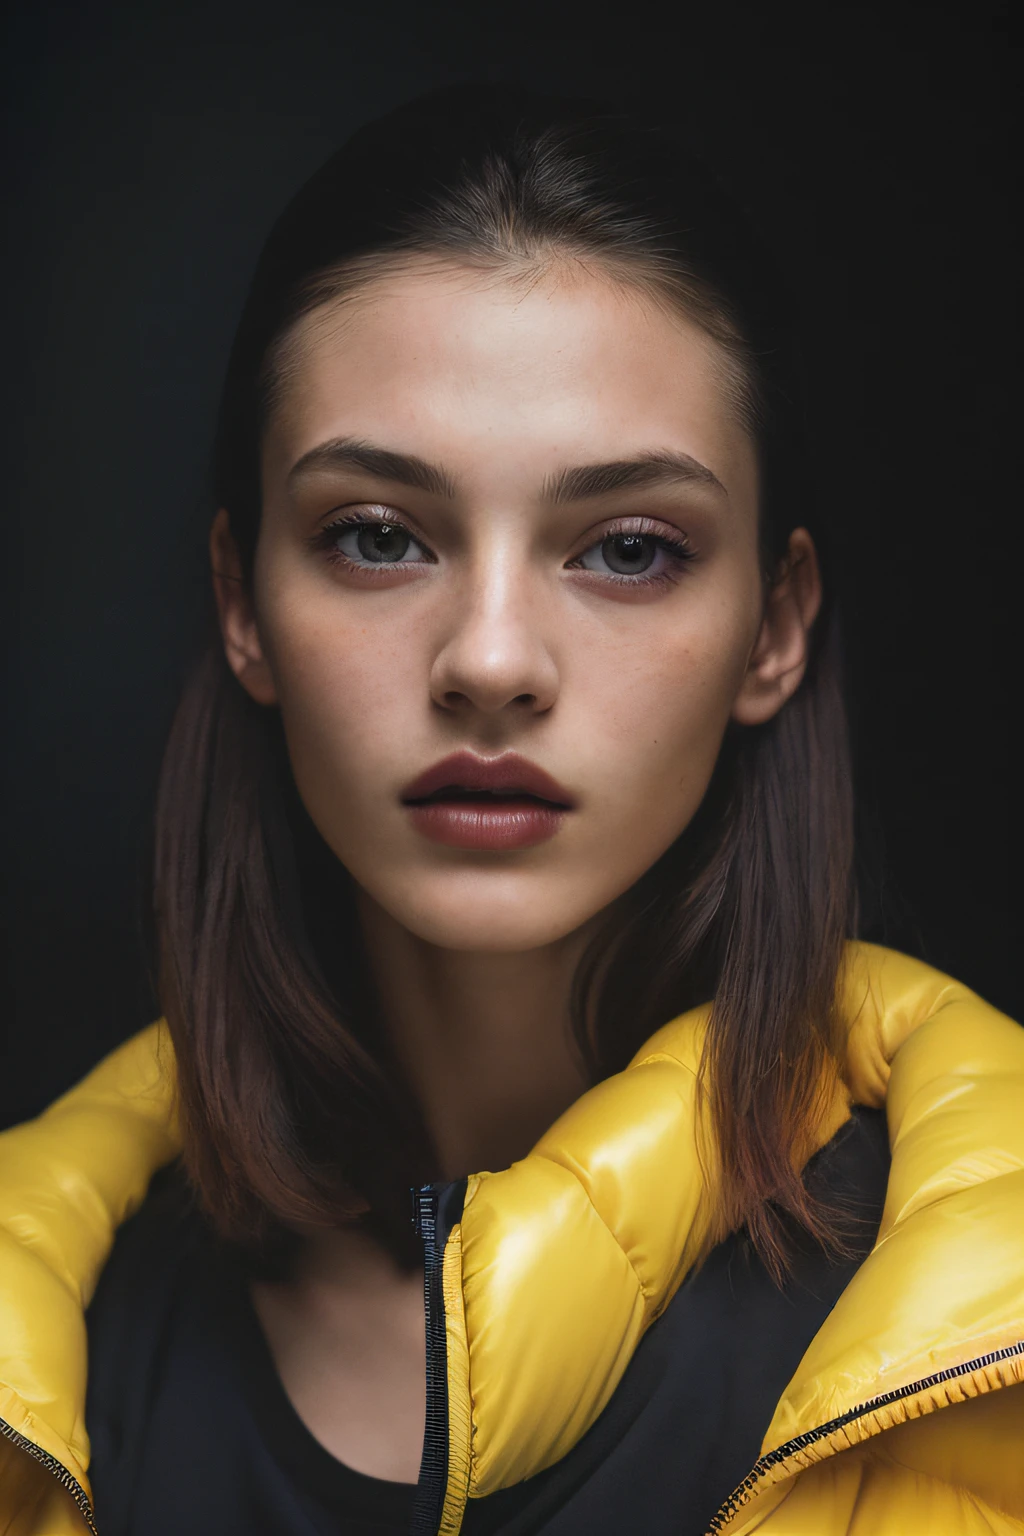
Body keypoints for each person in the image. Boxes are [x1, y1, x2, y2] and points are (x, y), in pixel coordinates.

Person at [0, 82, 1021, 1536]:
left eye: (624, 549)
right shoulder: (51, 1341)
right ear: (241, 603)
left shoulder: (989, 1309)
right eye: (375, 535)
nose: (489, 660)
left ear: (776, 627)